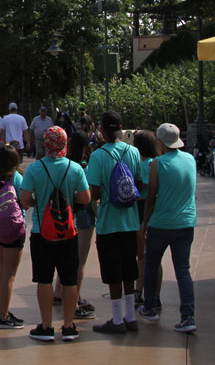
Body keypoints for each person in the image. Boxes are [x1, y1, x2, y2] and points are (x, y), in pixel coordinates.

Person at [19, 126, 91, 342]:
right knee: (69, 280)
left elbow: (24, 200)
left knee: (44, 280)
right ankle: (69, 326)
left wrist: (39, 203)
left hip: (42, 232)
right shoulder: (75, 168)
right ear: (64, 144)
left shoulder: (35, 169)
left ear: (46, 144)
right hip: (68, 231)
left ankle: (46, 326)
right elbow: (86, 199)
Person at [86, 111, 146, 335]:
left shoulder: (98, 156)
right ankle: (131, 317)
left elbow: (94, 191)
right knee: (130, 269)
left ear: (101, 129)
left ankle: (117, 319)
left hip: (109, 223)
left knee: (113, 272)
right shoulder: (133, 151)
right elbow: (139, 182)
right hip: (130, 222)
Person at [138, 123, 198, 332]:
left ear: (161, 142)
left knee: (152, 264)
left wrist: (145, 223)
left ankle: (150, 307)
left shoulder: (157, 164)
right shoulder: (190, 160)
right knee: (183, 270)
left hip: (161, 223)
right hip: (186, 222)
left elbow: (151, 197)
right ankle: (188, 317)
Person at [54, 129, 97, 320]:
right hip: (84, 217)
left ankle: (58, 291)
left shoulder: (65, 165)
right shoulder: (84, 168)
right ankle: (75, 298)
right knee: (79, 261)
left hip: (65, 216)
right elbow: (88, 198)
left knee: (64, 257)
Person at [0, 144, 25, 330]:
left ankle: (2, 311)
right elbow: (25, 201)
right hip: (14, 229)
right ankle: (4, 315)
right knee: (10, 275)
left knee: (1, 272)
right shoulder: (16, 178)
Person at [132, 129, 161, 304]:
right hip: (154, 210)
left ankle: (139, 290)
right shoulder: (156, 162)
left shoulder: (144, 164)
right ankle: (155, 295)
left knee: (141, 255)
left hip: (141, 208)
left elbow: (143, 186)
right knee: (153, 256)